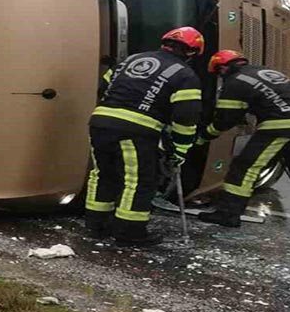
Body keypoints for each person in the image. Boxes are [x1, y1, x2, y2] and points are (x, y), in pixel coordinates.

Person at [198, 50, 290, 231]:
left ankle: (228, 214)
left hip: (282, 125)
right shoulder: (263, 71)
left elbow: (226, 118)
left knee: (245, 168)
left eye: (218, 73)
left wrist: (206, 134)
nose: (220, 77)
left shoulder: (234, 82)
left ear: (222, 68)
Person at [85, 27, 205, 246]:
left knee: (102, 174)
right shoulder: (185, 75)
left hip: (100, 122)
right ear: (192, 53)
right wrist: (179, 151)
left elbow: (103, 88)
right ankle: (129, 232)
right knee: (138, 180)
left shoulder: (131, 60)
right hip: (135, 130)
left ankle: (96, 225)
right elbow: (186, 118)